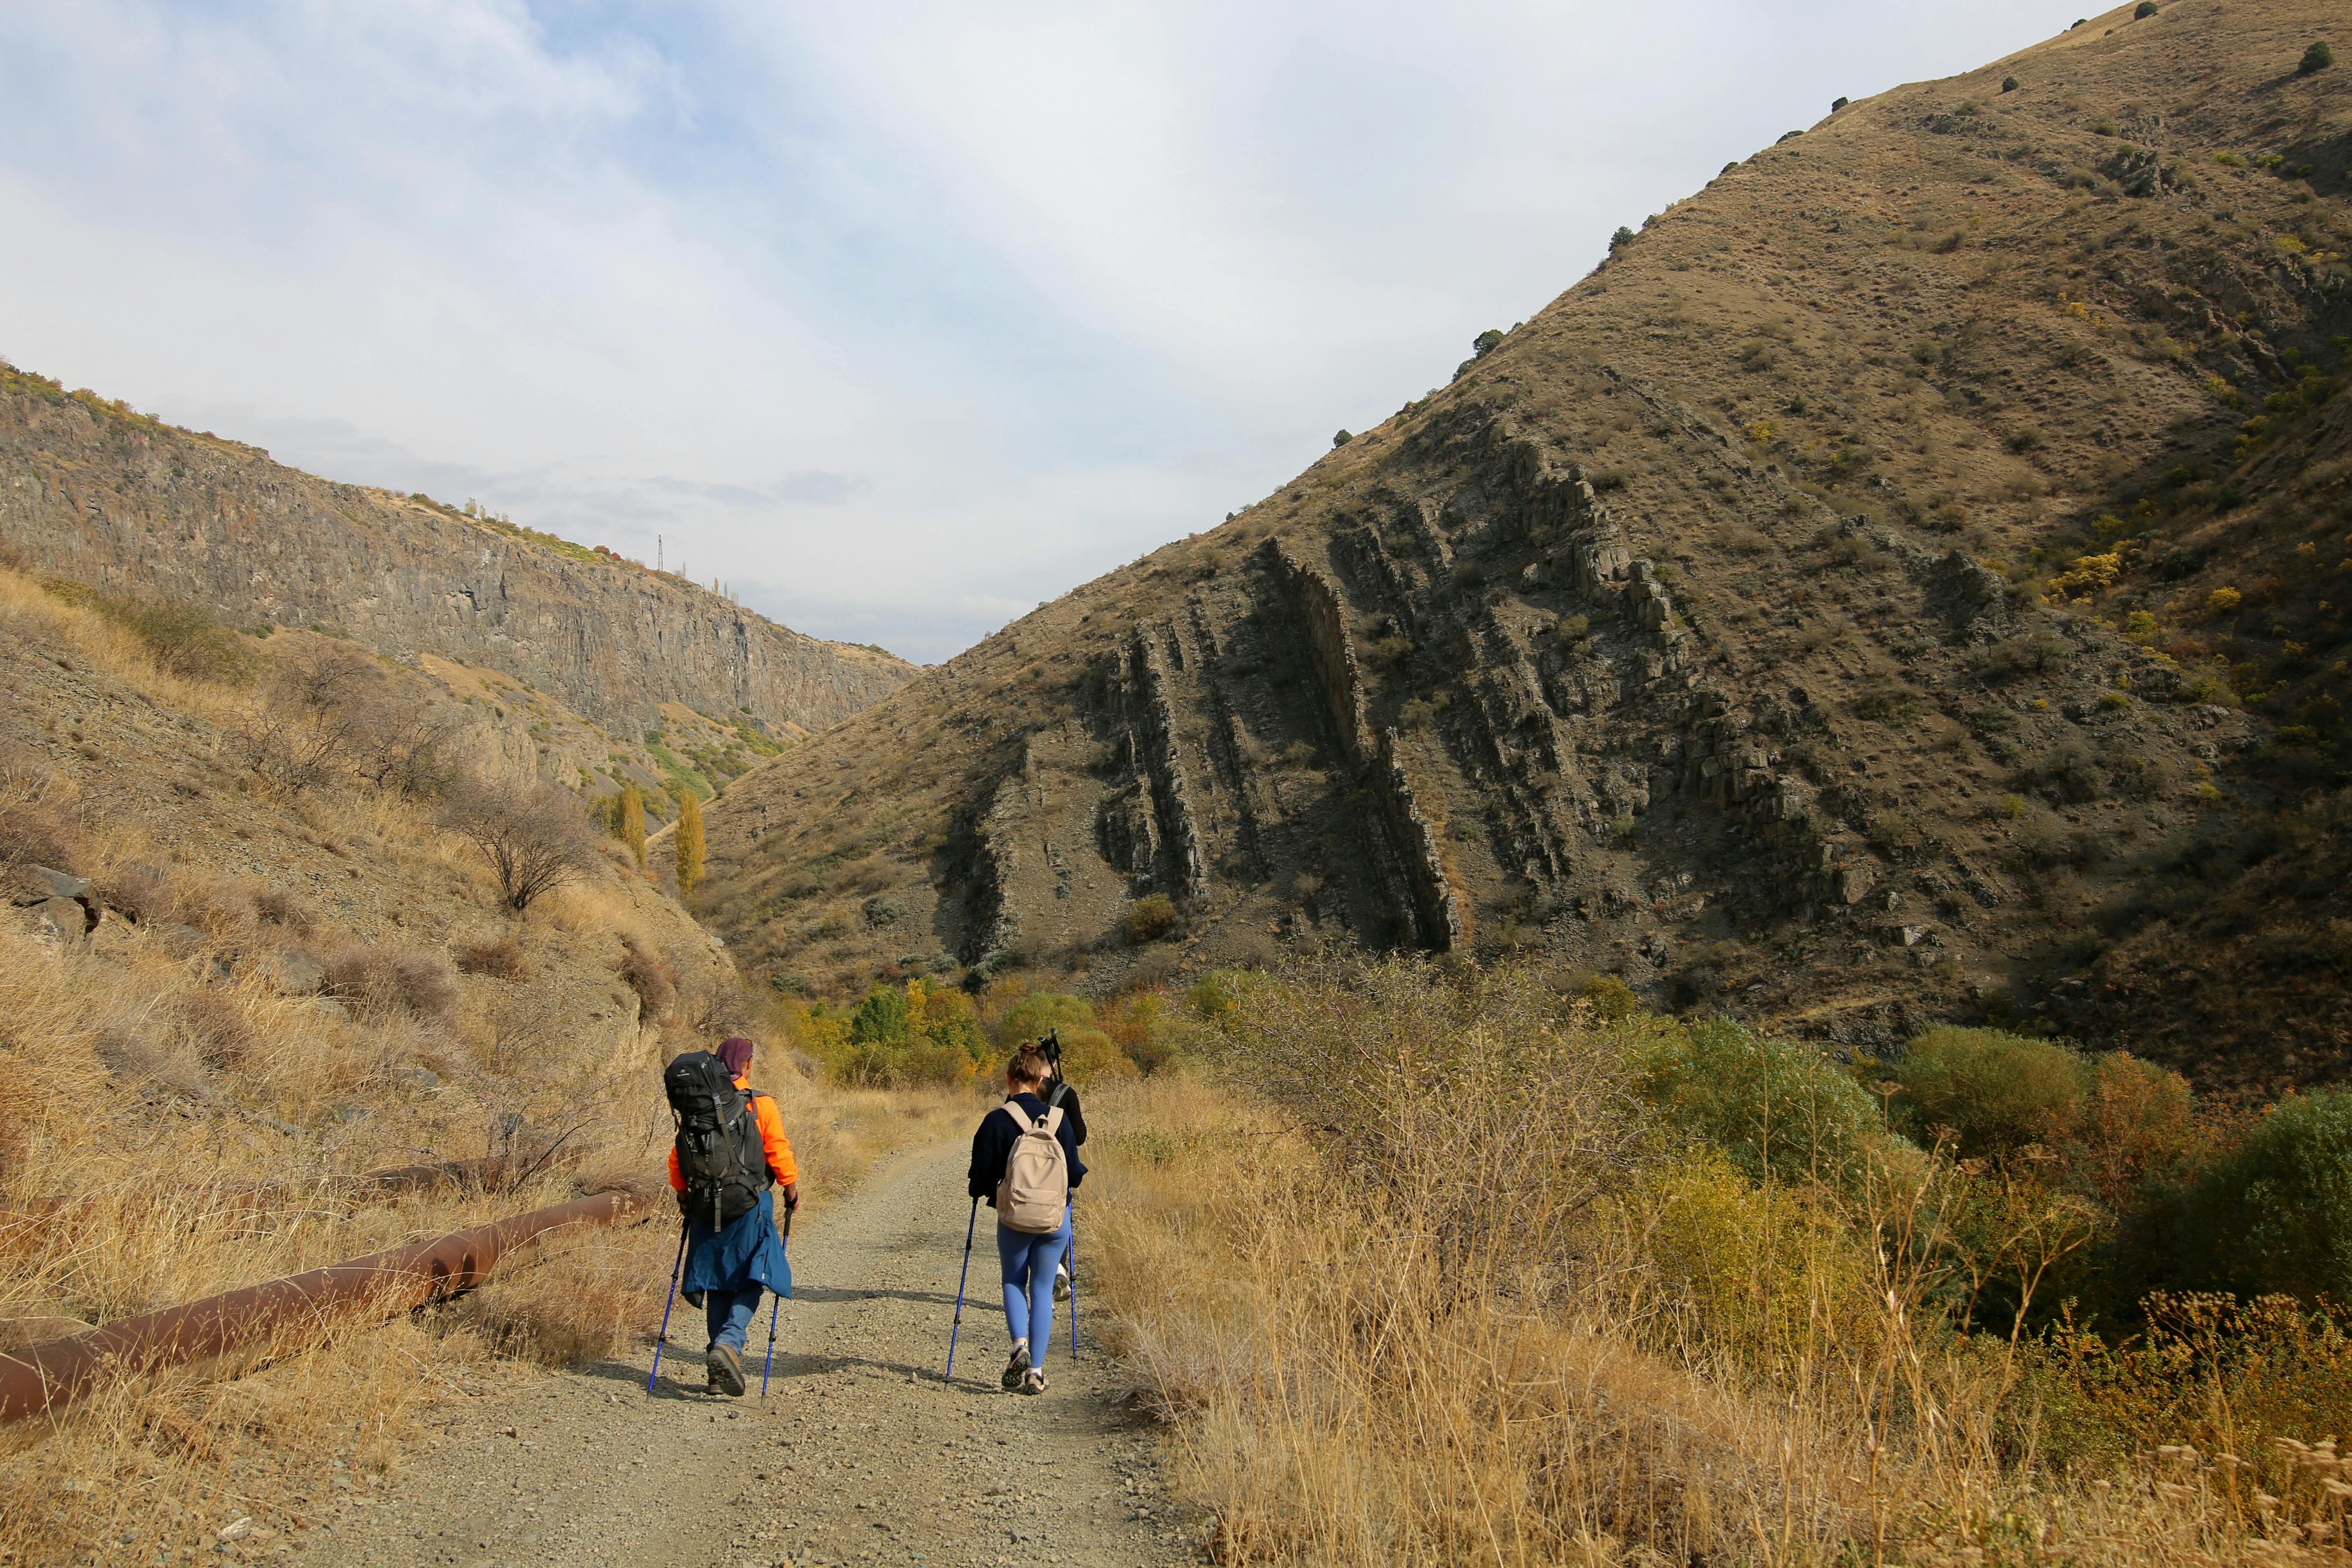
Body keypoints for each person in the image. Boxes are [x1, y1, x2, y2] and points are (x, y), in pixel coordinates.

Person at [668, 1036, 797, 1397]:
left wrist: (684, 1197)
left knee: (716, 1280)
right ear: (748, 1064)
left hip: (703, 1206)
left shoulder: (696, 1105)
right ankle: (730, 1342)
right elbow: (777, 1149)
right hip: (750, 1203)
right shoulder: (759, 1103)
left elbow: (678, 1158)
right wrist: (790, 1187)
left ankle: (717, 1370)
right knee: (753, 1276)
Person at [967, 1043, 1085, 1394]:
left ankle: (1020, 1344)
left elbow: (980, 1181)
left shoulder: (996, 1120)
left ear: (1009, 1079)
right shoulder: (1059, 1121)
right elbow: (1075, 1175)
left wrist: (988, 1190)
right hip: (1054, 1221)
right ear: (1040, 1081)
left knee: (1013, 1282)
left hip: (1015, 1219)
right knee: (1042, 1288)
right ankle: (1036, 1371)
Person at [1036, 1033, 1087, 1305]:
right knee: (1058, 1218)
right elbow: (1079, 1137)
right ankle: (1057, 1267)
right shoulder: (1065, 1093)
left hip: (1025, 1172)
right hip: (1058, 1171)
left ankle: (1038, 1273)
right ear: (1054, 1064)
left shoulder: (1019, 1090)